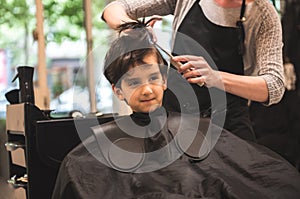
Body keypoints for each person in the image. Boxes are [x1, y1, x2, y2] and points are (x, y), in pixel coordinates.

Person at [51, 21, 300, 199]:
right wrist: (133, 29)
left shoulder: (199, 133)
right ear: (118, 91)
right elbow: (114, 11)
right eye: (134, 82)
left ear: (165, 80)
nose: (147, 90)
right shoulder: (87, 157)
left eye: (152, 78)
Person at [101, 0, 285, 142]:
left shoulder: (263, 15)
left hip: (228, 126)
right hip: (175, 119)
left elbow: (274, 87)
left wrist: (215, 77)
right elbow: (114, 9)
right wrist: (133, 28)